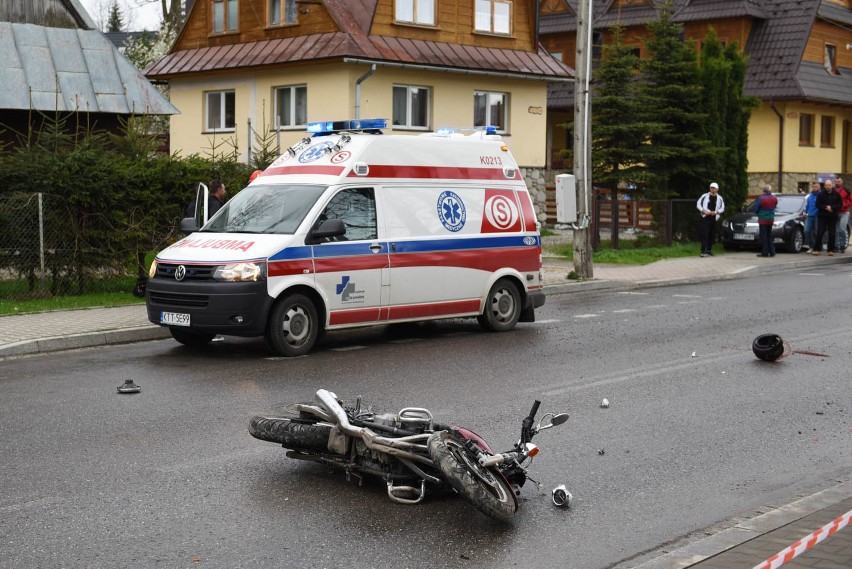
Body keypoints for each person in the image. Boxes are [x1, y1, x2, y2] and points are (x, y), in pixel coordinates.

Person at [812, 178, 841, 256]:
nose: (828, 186)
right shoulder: (820, 194)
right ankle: (816, 249)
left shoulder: (836, 194)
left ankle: (830, 250)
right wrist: (825, 207)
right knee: (820, 232)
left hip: (832, 216)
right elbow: (817, 204)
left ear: (832, 185)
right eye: (827, 185)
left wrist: (832, 207)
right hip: (822, 216)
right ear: (824, 186)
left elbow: (839, 204)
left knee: (832, 233)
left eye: (829, 185)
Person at [696, 182, 725, 257]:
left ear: (717, 189)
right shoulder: (705, 196)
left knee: (711, 234)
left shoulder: (720, 198)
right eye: (711, 188)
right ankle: (703, 251)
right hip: (705, 217)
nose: (712, 189)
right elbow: (698, 204)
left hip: (714, 218)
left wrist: (716, 212)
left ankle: (709, 250)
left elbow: (722, 208)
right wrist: (703, 210)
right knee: (704, 233)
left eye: (714, 188)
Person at [752, 184, 777, 257]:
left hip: (763, 219)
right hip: (771, 219)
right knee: (769, 235)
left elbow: (756, 208)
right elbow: (775, 205)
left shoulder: (761, 198)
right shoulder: (774, 198)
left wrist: (759, 213)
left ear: (764, 191)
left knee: (764, 236)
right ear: (770, 191)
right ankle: (772, 251)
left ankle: (765, 252)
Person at [803, 181, 821, 252]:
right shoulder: (810, 196)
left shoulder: (821, 195)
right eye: (813, 187)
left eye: (816, 187)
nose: (814, 188)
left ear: (819, 187)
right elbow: (807, 206)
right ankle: (811, 246)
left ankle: (817, 247)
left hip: (818, 216)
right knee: (806, 231)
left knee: (817, 232)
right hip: (809, 216)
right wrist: (805, 212)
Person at [834, 177, 850, 253]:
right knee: (836, 230)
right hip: (835, 212)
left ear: (842, 182)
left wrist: (845, 205)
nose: (837, 183)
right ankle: (837, 246)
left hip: (844, 212)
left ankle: (843, 245)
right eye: (836, 181)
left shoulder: (846, 190)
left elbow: (851, 200)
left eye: (839, 181)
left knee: (842, 229)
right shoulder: (832, 190)